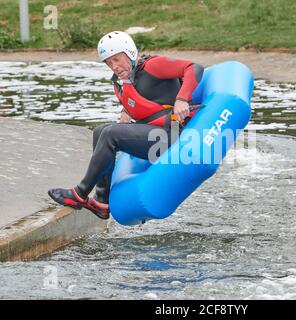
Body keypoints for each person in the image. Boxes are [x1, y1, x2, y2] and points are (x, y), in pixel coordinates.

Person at [48, 31, 204, 220]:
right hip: (156, 137)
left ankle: (80, 194)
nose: (114, 66)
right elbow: (144, 102)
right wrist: (126, 111)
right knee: (100, 131)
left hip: (173, 136)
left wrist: (182, 99)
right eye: (108, 62)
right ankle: (102, 201)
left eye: (117, 59)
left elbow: (194, 67)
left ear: (130, 52)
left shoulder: (153, 66)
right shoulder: (124, 82)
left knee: (111, 134)